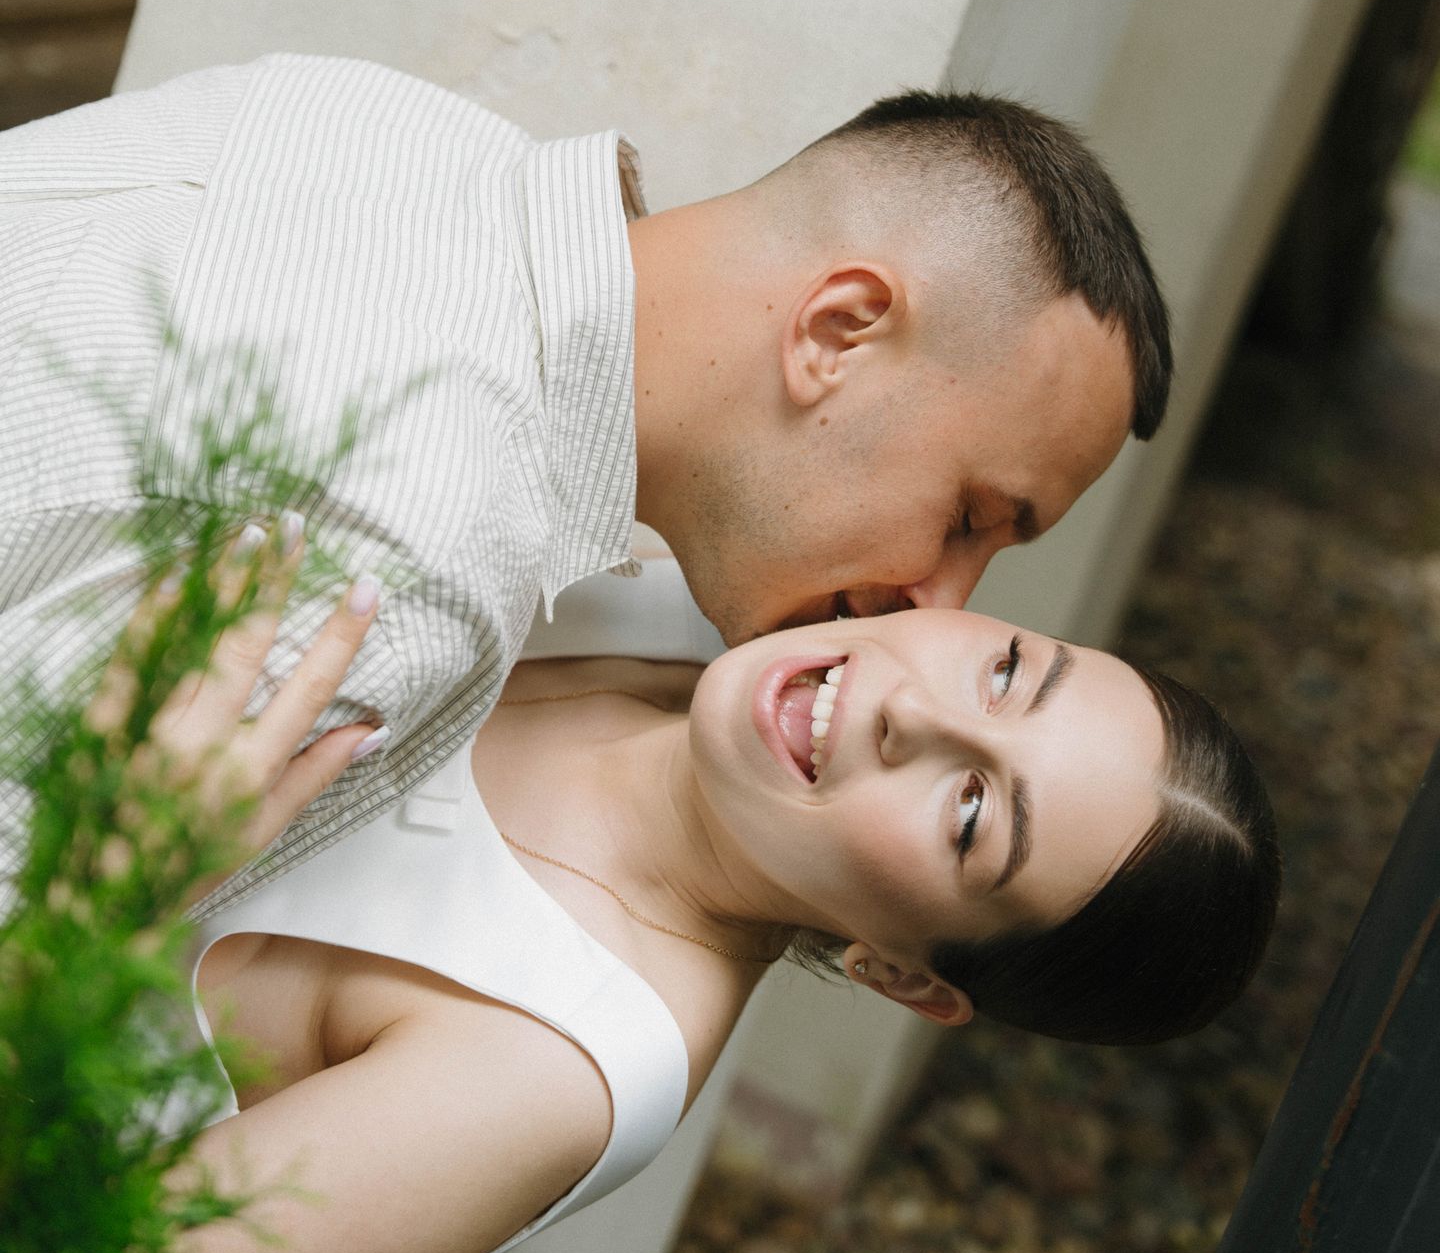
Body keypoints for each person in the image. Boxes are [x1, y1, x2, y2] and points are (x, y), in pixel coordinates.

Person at [0, 57, 1170, 910]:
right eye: (968, 518)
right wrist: (102, 917)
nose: (940, 605)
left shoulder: (385, 115)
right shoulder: (416, 562)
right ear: (840, 331)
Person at [136, 535, 1276, 1253]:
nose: (913, 712)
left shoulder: (550, 1065)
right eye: (1008, 672)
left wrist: (113, 876)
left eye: (970, 813)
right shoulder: (699, 584)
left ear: (902, 975)